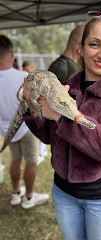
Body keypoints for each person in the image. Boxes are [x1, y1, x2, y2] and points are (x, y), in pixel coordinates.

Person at [23, 13, 101, 240]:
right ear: (81, 49)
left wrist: (61, 117)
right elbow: (48, 136)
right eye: (94, 44)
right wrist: (32, 106)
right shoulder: (65, 87)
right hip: (64, 194)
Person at [0, 35, 49, 209]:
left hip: (6, 130)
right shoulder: (24, 77)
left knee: (15, 159)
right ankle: (28, 197)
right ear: (11, 54)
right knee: (30, 161)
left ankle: (15, 193)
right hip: (27, 127)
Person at [22, 60, 48, 164]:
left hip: (41, 108)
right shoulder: (27, 80)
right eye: (25, 72)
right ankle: (41, 152)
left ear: (33, 69)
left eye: (28, 71)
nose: (27, 74)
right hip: (33, 109)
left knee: (42, 131)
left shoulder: (40, 78)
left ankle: (41, 153)